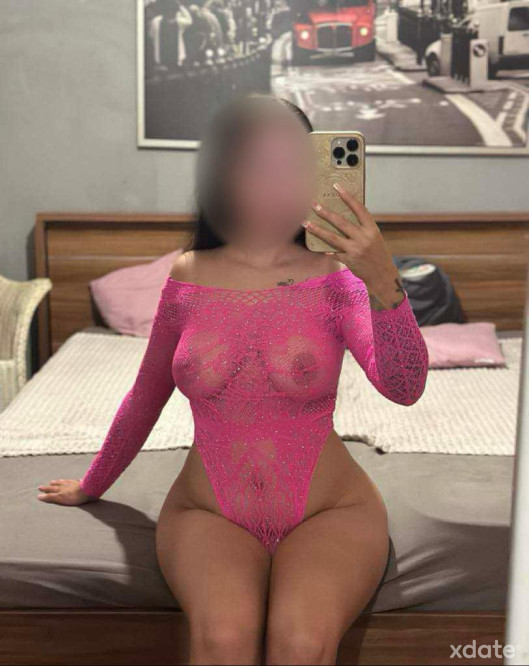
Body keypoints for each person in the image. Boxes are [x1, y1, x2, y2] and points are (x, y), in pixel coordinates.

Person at [37, 93, 429, 665]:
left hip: (330, 511)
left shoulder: (337, 278)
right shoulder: (187, 275)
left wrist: (383, 281)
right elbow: (146, 395)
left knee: (301, 645)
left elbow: (405, 386)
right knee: (223, 641)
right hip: (209, 512)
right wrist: (91, 484)